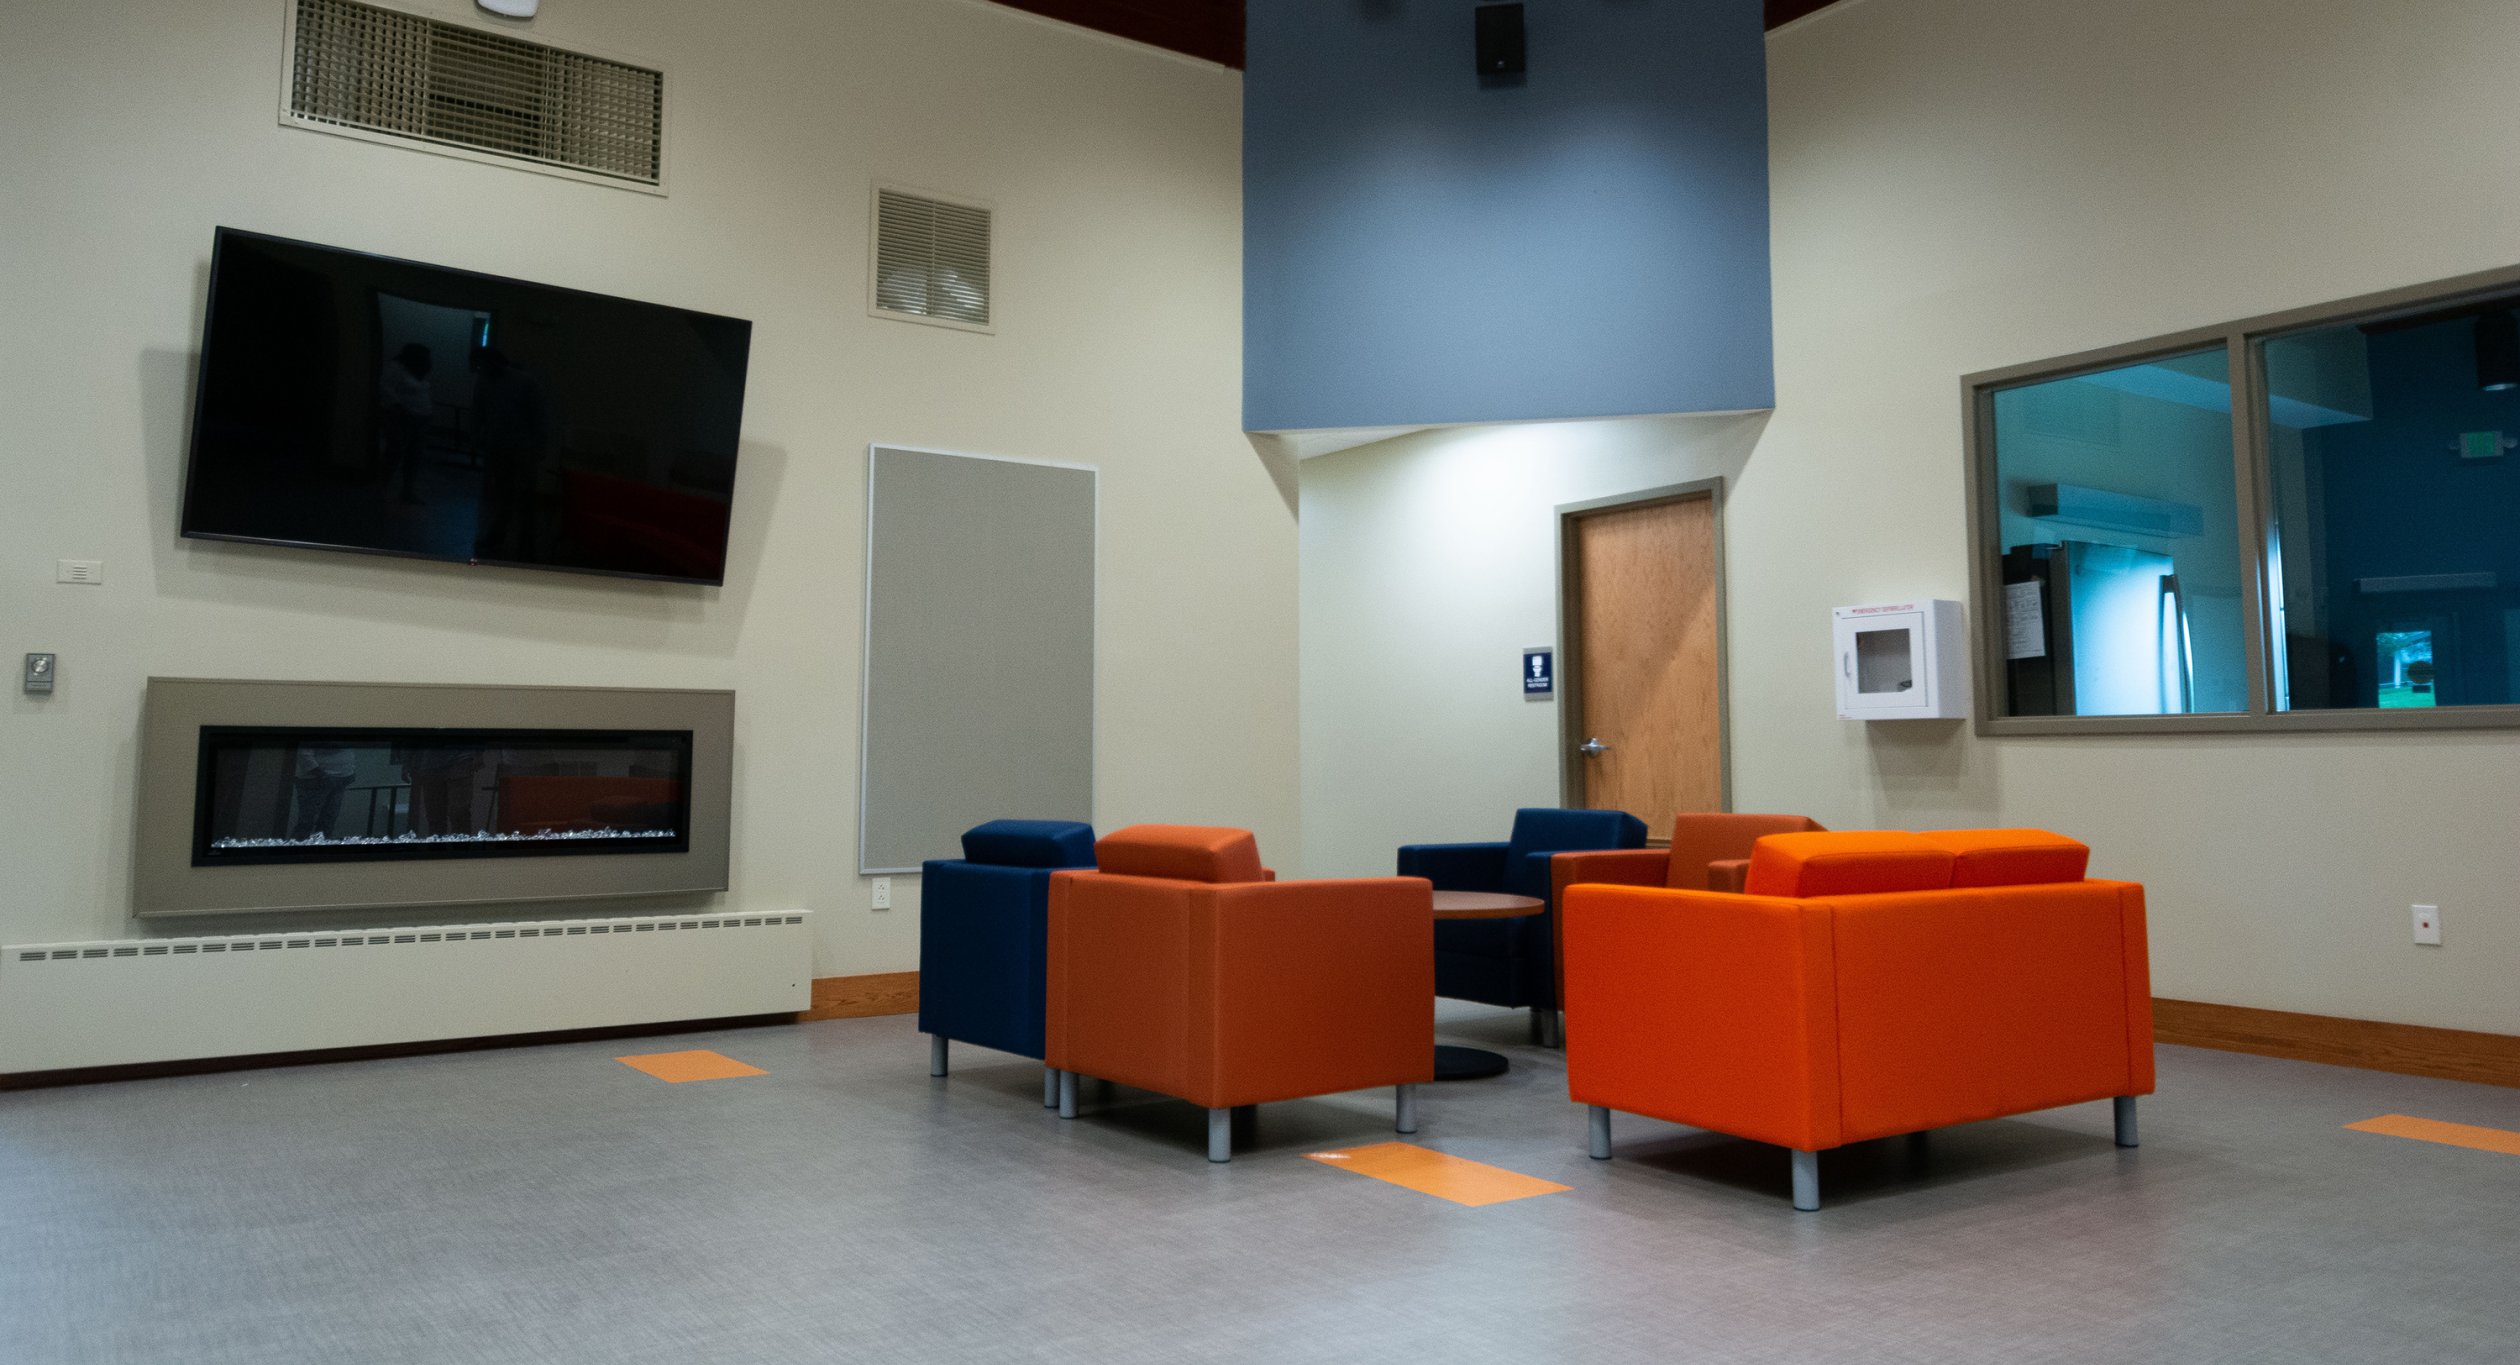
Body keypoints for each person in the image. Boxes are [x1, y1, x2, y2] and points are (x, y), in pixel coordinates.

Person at [378, 342, 435, 504]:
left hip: (420, 419)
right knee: (394, 453)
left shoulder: (415, 370)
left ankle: (407, 490)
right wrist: (398, 408)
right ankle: (382, 487)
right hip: (404, 418)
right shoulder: (396, 368)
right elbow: (385, 388)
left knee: (414, 455)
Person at [288, 747, 358, 843]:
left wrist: (350, 771)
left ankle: (320, 853)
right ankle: (297, 854)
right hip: (315, 781)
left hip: (339, 780)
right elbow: (304, 754)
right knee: (306, 824)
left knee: (328, 822)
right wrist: (323, 776)